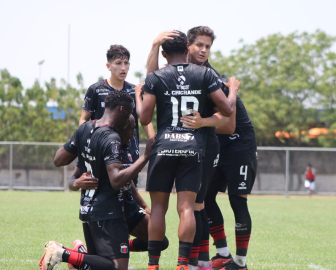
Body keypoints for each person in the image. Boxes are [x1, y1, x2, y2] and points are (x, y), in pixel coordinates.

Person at [136, 31, 238, 270]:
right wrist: (232, 89)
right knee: (187, 208)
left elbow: (144, 118)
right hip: (193, 148)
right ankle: (183, 264)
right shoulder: (203, 73)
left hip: (164, 147)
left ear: (163, 54)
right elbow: (227, 110)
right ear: (187, 50)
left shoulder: (156, 77)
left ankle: (153, 265)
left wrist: (138, 97)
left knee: (159, 208)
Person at [41, 91, 154, 270]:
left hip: (89, 210)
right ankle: (62, 253)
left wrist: (76, 182)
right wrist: (145, 157)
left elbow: (59, 160)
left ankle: (78, 255)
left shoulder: (85, 129)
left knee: (99, 265)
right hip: (108, 212)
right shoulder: (111, 137)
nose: (131, 118)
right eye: (130, 112)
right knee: (117, 268)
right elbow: (116, 180)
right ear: (122, 109)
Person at [177, 26, 258, 270]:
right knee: (204, 198)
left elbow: (230, 125)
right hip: (215, 148)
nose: (203, 50)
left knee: (237, 201)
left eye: (207, 46)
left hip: (238, 145)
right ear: (187, 48)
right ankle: (221, 254)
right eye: (199, 45)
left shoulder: (213, 77)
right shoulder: (185, 74)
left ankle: (240, 263)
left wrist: (200, 123)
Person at [79, 44, 155, 186]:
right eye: (118, 63)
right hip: (102, 153)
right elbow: (84, 119)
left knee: (130, 198)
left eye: (126, 63)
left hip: (130, 154)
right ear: (108, 66)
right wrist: (86, 144)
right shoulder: (95, 90)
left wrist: (154, 143)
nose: (123, 68)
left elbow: (144, 120)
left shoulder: (135, 91)